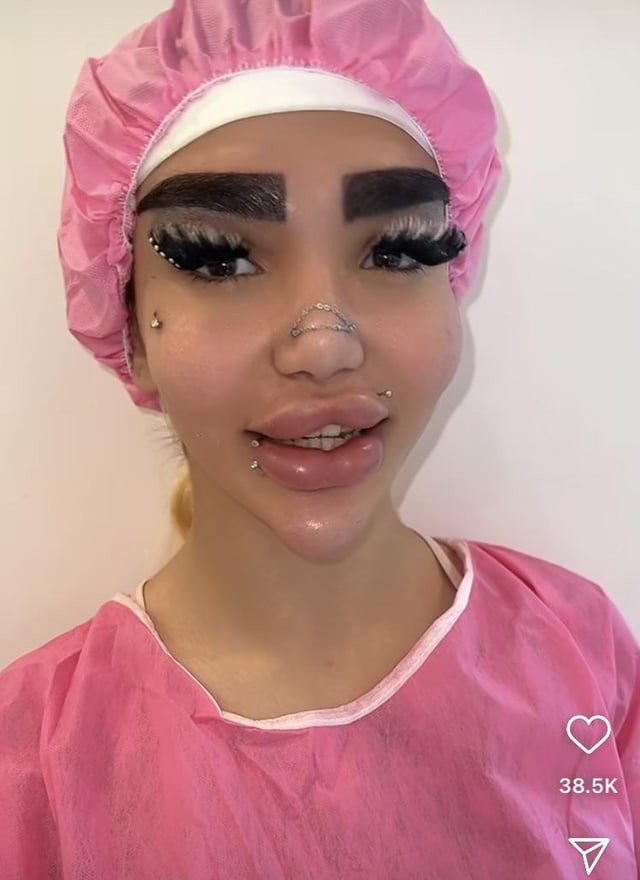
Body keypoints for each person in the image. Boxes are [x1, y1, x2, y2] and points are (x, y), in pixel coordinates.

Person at [1, 0, 638, 877]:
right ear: (130, 328)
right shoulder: (31, 766)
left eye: (399, 250)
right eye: (218, 257)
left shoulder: (580, 652)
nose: (324, 346)